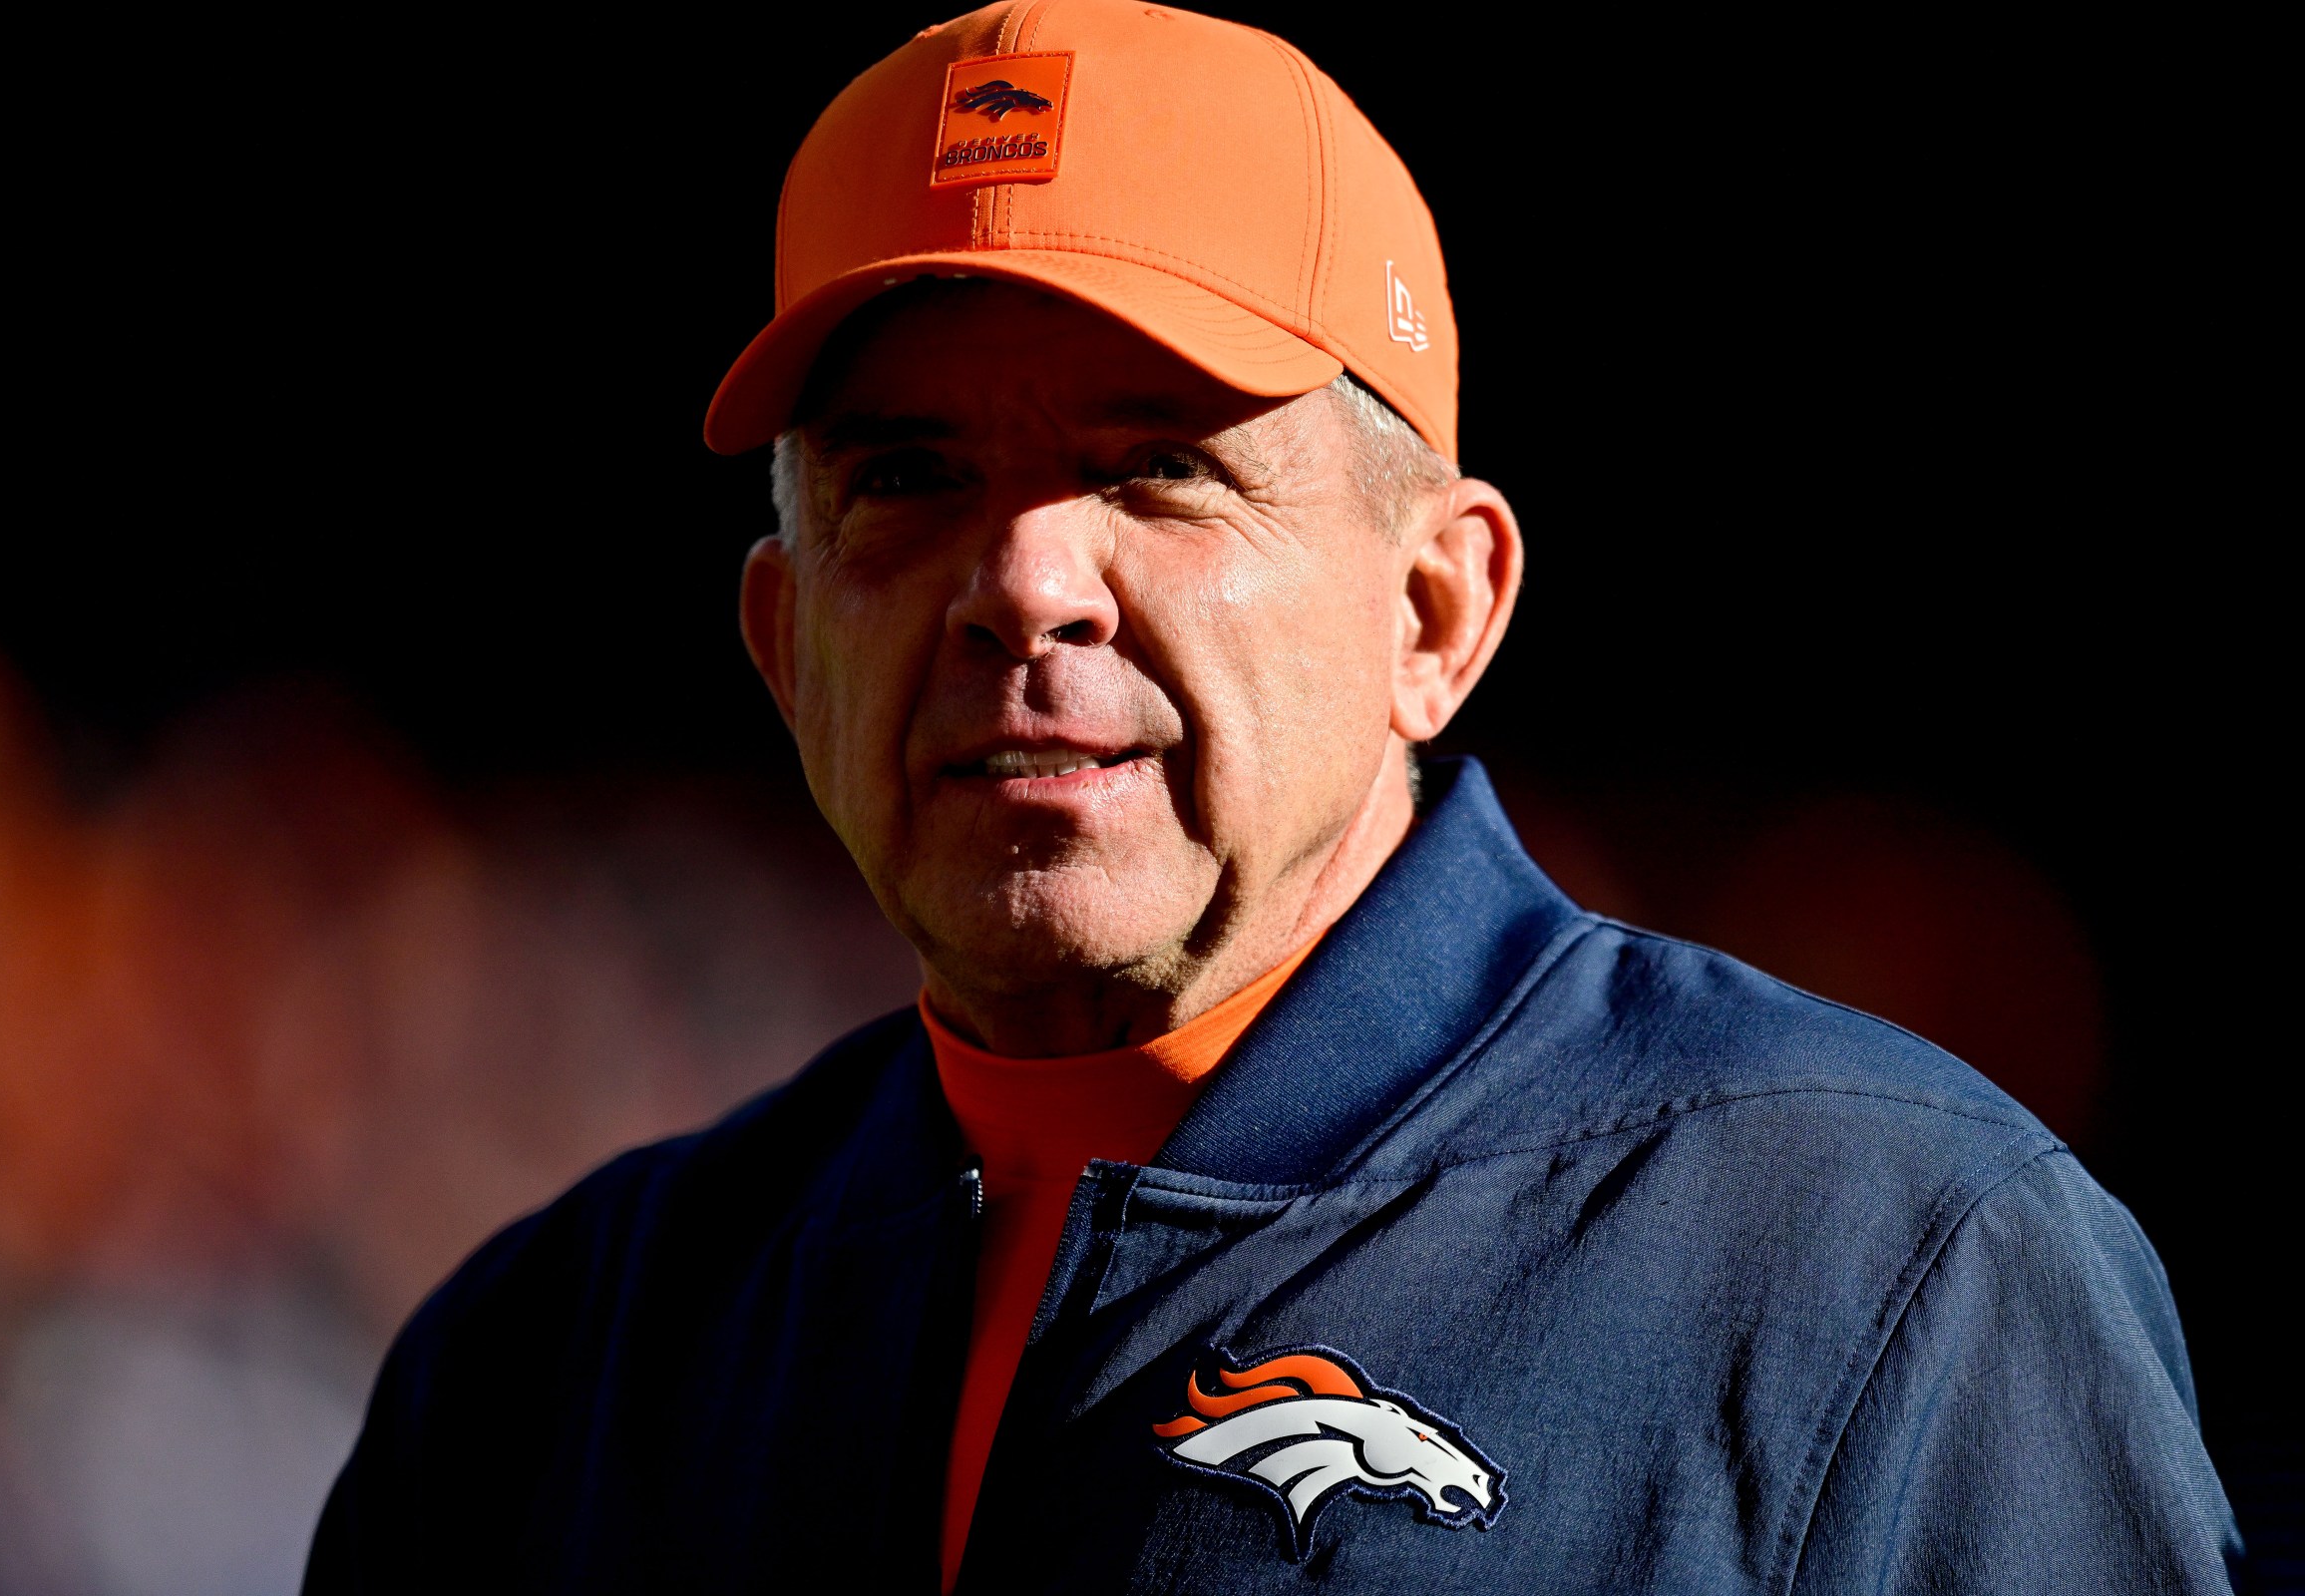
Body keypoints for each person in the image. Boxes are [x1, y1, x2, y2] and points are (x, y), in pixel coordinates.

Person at [307, 2, 2240, 1590]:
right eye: (906, 477)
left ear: (1434, 609)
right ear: (781, 637)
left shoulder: (1874, 1254)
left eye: (1157, 465)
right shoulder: (558, 1358)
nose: (1024, 581)